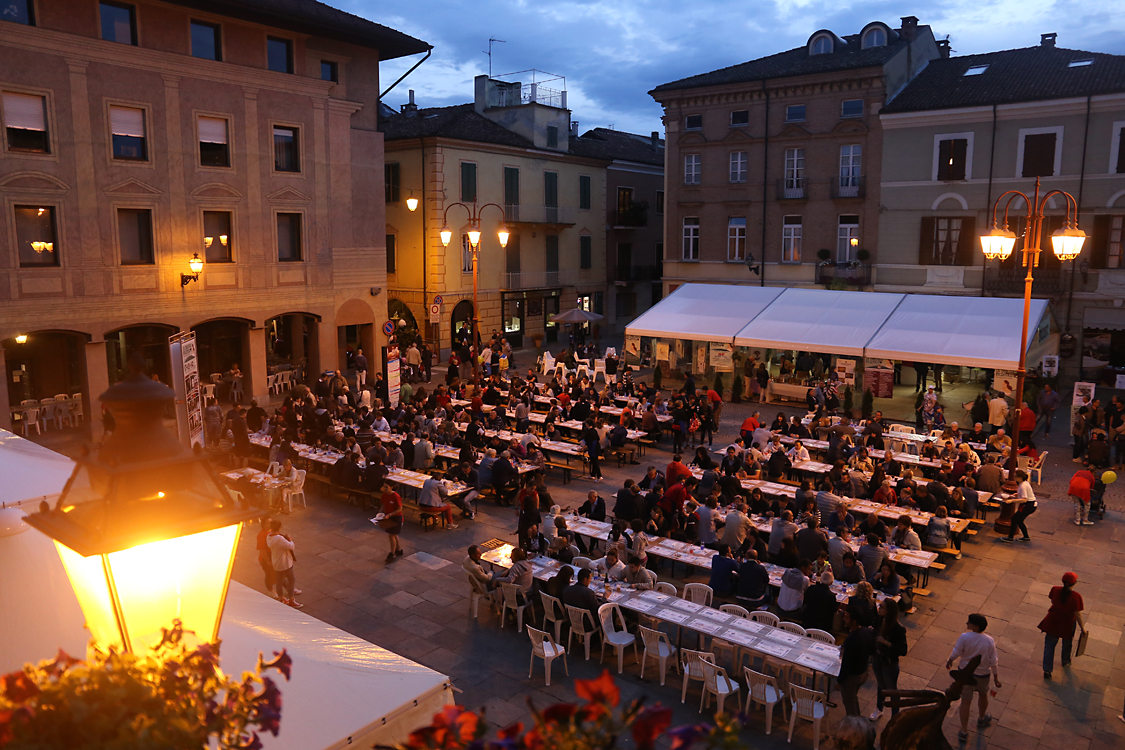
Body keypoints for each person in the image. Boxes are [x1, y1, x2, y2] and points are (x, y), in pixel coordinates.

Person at [946, 613, 1001, 743]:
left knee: (966, 701)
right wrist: (996, 677)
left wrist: (950, 661)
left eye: (969, 622)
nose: (967, 624)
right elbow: (993, 660)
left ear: (975, 626)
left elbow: (957, 651)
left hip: (965, 675)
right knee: (983, 695)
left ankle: (964, 731)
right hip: (982, 675)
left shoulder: (964, 637)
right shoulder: (989, 640)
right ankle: (982, 718)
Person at [1038, 572, 1084, 679]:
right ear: (1074, 583)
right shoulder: (1076, 597)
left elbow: (1052, 599)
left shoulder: (1055, 590)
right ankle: (1065, 661)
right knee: (1067, 643)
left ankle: (1047, 670)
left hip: (1052, 622)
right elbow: (1077, 613)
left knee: (1049, 646)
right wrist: (1083, 628)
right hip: (1067, 624)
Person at [870, 598, 908, 721]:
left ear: (889, 611)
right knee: (880, 685)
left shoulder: (898, 629)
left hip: (889, 663)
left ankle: (895, 716)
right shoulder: (879, 620)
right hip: (877, 659)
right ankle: (879, 709)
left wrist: (886, 643)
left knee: (892, 690)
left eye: (881, 607)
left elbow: (903, 650)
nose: (879, 609)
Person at [838, 608, 875, 716]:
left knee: (849, 704)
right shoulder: (867, 631)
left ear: (854, 621)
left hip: (852, 677)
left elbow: (846, 664)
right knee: (853, 699)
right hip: (863, 673)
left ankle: (855, 728)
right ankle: (857, 719)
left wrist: (839, 681)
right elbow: (872, 650)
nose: (844, 619)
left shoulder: (851, 639)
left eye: (847, 617)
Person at [266, 519, 303, 608]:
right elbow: (291, 546)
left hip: (276, 562)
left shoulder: (268, 537)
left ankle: (281, 598)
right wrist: (290, 538)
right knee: (291, 580)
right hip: (285, 563)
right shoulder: (279, 538)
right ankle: (291, 599)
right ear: (279, 527)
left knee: (279, 581)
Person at [1000, 469, 1036, 543]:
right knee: (1019, 520)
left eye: (1015, 476)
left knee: (1014, 519)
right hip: (1029, 505)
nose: (1014, 478)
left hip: (1028, 505)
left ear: (1020, 477)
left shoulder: (1023, 486)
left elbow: (1024, 499)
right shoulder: (1024, 483)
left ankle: (1010, 538)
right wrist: (1016, 494)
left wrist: (1012, 501)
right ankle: (1025, 537)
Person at [379, 482, 405, 563]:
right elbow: (383, 505)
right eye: (384, 486)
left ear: (391, 487)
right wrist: (380, 513)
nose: (384, 489)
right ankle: (399, 549)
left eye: (386, 487)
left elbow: (399, 509)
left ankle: (392, 553)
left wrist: (389, 515)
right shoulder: (384, 495)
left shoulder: (396, 496)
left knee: (391, 535)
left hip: (396, 518)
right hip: (389, 517)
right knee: (394, 534)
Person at [255, 515, 277, 597]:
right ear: (263, 524)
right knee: (269, 574)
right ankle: (270, 590)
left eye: (270, 523)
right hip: (265, 558)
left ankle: (290, 588)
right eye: (267, 523)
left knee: (280, 573)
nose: (269, 525)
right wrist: (268, 560)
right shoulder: (261, 535)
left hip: (274, 555)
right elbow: (262, 549)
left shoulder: (273, 531)